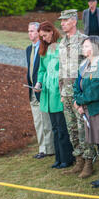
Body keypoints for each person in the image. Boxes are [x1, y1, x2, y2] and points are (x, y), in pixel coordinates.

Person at [58, 9, 97, 178]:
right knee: (71, 128)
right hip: (65, 92)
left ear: (74, 21)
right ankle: (79, 159)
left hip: (78, 93)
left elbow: (90, 68)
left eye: (65, 20)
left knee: (83, 129)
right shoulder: (62, 42)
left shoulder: (83, 41)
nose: (62, 23)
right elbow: (61, 68)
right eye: (61, 20)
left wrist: (83, 94)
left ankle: (89, 162)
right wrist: (61, 91)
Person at [73, 36, 99, 188]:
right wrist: (78, 101)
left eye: (86, 46)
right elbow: (77, 86)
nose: (83, 49)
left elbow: (96, 90)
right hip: (89, 109)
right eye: (83, 46)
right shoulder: (84, 65)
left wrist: (80, 100)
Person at [35, 21, 74, 169]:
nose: (43, 38)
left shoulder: (62, 46)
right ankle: (58, 158)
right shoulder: (44, 48)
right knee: (55, 128)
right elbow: (42, 69)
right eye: (41, 36)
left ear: (51, 32)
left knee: (63, 127)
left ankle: (67, 158)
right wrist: (39, 83)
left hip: (59, 91)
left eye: (44, 35)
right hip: (48, 92)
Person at [26, 22, 54, 159]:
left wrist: (40, 84)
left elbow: (44, 69)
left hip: (42, 89)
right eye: (28, 31)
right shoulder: (28, 49)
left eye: (32, 31)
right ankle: (42, 148)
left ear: (38, 32)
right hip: (32, 90)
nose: (29, 33)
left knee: (46, 121)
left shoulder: (46, 47)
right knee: (38, 122)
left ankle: (49, 148)